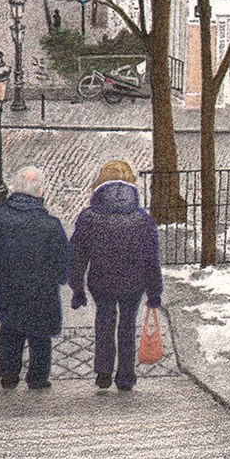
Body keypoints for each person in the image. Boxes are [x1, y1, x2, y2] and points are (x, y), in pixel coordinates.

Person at [69, 160, 163, 392]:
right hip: (133, 283)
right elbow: (151, 259)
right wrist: (154, 291)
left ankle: (103, 372)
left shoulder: (89, 217)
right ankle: (126, 375)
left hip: (101, 282)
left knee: (104, 321)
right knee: (127, 325)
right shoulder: (143, 219)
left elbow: (77, 256)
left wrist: (77, 288)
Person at [0, 165, 69, 391]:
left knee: (10, 331)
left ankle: (8, 375)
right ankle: (38, 378)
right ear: (40, 191)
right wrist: (57, 279)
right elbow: (62, 260)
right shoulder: (50, 224)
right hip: (42, 292)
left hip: (9, 287)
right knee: (41, 336)